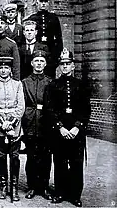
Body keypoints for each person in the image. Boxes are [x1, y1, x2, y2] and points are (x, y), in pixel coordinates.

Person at [45, 48, 91, 207]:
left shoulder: (82, 85)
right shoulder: (53, 85)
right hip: (60, 132)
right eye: (62, 64)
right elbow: (49, 109)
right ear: (59, 66)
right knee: (60, 163)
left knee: (76, 163)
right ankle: (60, 192)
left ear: (73, 66)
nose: (65, 66)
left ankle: (75, 195)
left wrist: (77, 127)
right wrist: (60, 128)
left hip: (76, 132)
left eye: (68, 64)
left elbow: (86, 110)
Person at [0, 56, 25, 202]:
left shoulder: (18, 85)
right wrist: (2, 123)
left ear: (10, 70)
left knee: (14, 155)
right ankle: (3, 185)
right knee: (1, 155)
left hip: (15, 124)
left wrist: (12, 122)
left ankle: (14, 187)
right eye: (1, 68)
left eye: (6, 68)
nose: (3, 70)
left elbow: (21, 106)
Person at [21, 50, 53, 201]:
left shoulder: (50, 82)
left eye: (42, 61)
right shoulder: (25, 82)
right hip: (30, 122)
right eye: (36, 61)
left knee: (46, 157)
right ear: (32, 63)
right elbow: (22, 104)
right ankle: (32, 186)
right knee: (31, 157)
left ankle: (44, 186)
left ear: (45, 64)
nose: (39, 64)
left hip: (45, 124)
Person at [28, 0, 63, 78]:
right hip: (36, 54)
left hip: (50, 56)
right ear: (37, 3)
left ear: (48, 3)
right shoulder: (32, 18)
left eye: (45, 1)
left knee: (49, 79)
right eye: (41, 1)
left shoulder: (53, 18)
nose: (43, 4)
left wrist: (56, 57)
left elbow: (59, 39)